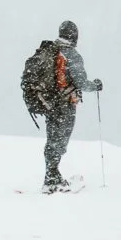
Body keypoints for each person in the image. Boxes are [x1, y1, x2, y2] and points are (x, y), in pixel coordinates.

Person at [42, 20, 102, 193]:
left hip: (49, 103)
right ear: (74, 36)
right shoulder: (71, 55)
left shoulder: (50, 51)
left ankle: (51, 175)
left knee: (52, 139)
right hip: (65, 105)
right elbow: (81, 83)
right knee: (60, 140)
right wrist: (95, 85)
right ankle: (52, 178)